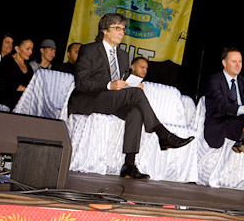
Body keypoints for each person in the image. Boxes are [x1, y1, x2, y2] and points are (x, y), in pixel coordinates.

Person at [67, 13, 194, 180]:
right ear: (105, 30)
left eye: (123, 29)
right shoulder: (89, 50)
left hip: (112, 99)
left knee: (135, 111)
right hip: (90, 99)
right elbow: (81, 83)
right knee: (136, 95)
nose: (122, 32)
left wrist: (131, 83)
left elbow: (122, 79)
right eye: (117, 28)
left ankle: (129, 164)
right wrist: (109, 85)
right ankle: (163, 134)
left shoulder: (122, 54)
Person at [203, 48, 244, 194]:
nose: (238, 65)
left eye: (240, 61)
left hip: (240, 124)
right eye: (234, 61)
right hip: (221, 122)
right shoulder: (214, 80)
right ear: (224, 63)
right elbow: (221, 106)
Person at [0, 37, 35, 110]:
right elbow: (5, 81)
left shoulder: (29, 68)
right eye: (27, 49)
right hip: (4, 101)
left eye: (31, 49)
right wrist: (23, 89)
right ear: (17, 49)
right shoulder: (7, 61)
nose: (30, 52)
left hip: (20, 104)